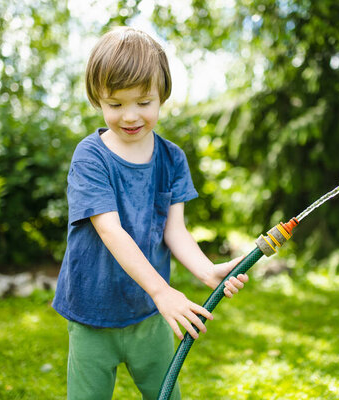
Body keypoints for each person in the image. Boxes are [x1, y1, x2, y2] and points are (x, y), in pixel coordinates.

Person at [52, 26, 249, 400]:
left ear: (162, 96)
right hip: (91, 311)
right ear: (98, 100)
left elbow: (175, 230)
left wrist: (207, 270)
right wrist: (163, 291)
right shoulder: (90, 157)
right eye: (116, 104)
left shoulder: (172, 158)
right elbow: (110, 230)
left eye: (143, 102)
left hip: (148, 314)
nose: (130, 116)